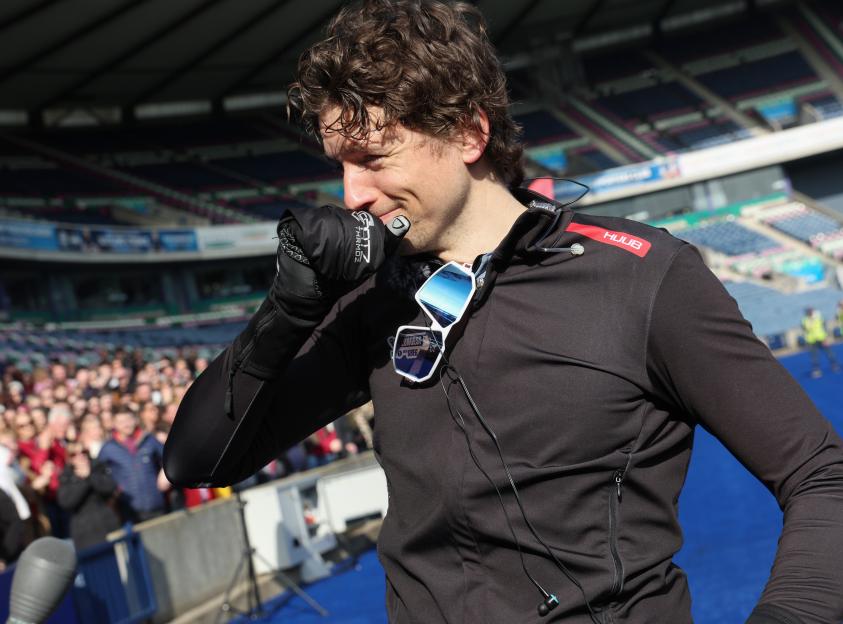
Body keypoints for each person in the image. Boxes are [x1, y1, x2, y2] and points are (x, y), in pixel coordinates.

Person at [164, 2, 843, 622]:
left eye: (372, 157)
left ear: (467, 133)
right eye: (340, 164)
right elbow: (197, 460)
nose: (351, 194)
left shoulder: (640, 276)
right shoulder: (371, 301)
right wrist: (286, 311)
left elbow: (820, 475)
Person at [98, 410, 168, 523]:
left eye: (128, 420)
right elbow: (98, 474)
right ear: (114, 424)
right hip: (128, 509)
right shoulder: (108, 448)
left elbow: (169, 457)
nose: (126, 424)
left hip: (155, 503)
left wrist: (165, 475)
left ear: (135, 420)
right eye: (121, 422)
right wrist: (113, 491)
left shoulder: (149, 439)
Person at [56, 443, 121, 550]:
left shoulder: (98, 467)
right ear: (69, 459)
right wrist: (84, 480)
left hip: (107, 524)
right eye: (74, 454)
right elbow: (66, 502)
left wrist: (90, 476)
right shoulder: (66, 477)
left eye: (83, 452)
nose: (80, 456)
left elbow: (110, 487)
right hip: (84, 532)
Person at [801, 306, 839, 378]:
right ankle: (816, 370)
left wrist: (826, 337)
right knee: (814, 356)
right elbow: (804, 329)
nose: (809, 312)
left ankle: (834, 365)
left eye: (810, 311)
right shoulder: (804, 320)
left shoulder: (818, 317)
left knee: (829, 352)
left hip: (821, 338)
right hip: (811, 340)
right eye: (808, 312)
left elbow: (824, 327)